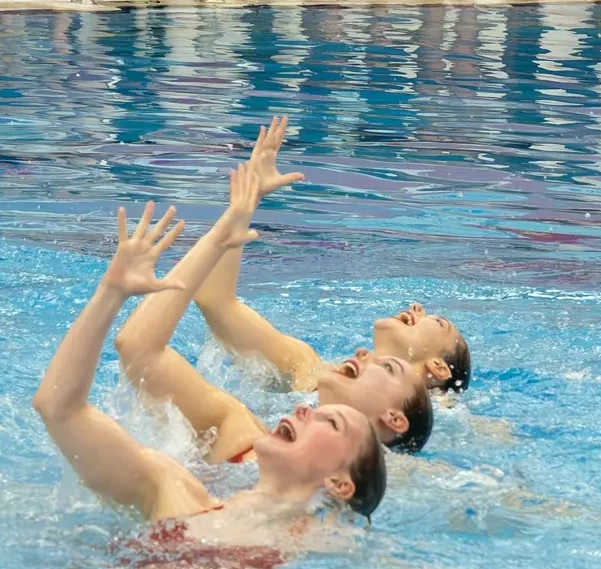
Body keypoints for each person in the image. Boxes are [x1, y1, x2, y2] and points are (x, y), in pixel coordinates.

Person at [33, 183, 388, 546]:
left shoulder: (328, 544)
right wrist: (110, 294)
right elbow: (58, 409)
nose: (304, 407)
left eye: (331, 420)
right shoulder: (171, 486)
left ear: (340, 484)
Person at [115, 163, 431, 463]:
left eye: (388, 368)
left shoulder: (263, 445)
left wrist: (222, 233)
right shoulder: (251, 423)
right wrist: (238, 213)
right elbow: (215, 304)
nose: (365, 351)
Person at [195, 119, 469, 405]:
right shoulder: (307, 367)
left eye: (438, 323)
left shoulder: (441, 414)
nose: (418, 308)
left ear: (437, 368)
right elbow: (214, 301)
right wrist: (244, 205)